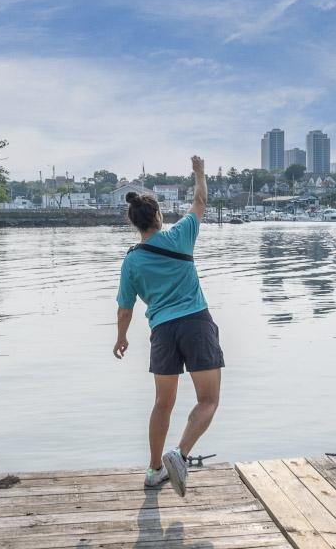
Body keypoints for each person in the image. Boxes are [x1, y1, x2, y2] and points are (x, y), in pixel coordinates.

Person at [113, 155, 222, 498]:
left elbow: (125, 308)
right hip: (196, 325)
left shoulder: (132, 260)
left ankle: (154, 470)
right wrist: (200, 172)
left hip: (162, 331)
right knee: (208, 400)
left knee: (163, 403)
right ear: (159, 216)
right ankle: (179, 453)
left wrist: (121, 338)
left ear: (134, 223)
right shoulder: (181, 235)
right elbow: (200, 200)